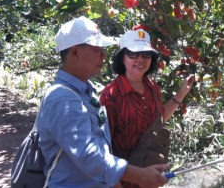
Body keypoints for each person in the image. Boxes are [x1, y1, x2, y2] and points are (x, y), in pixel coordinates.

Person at [37, 16, 168, 188]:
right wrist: (139, 175)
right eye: (97, 50)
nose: (103, 56)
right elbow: (89, 155)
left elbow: (101, 147)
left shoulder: (84, 93)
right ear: (75, 52)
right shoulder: (62, 99)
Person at [100, 28, 195, 188]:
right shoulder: (111, 95)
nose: (140, 59)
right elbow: (103, 146)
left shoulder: (153, 88)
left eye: (146, 54)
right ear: (122, 57)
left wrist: (182, 93)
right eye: (133, 54)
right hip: (121, 182)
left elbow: (158, 121)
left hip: (148, 178)